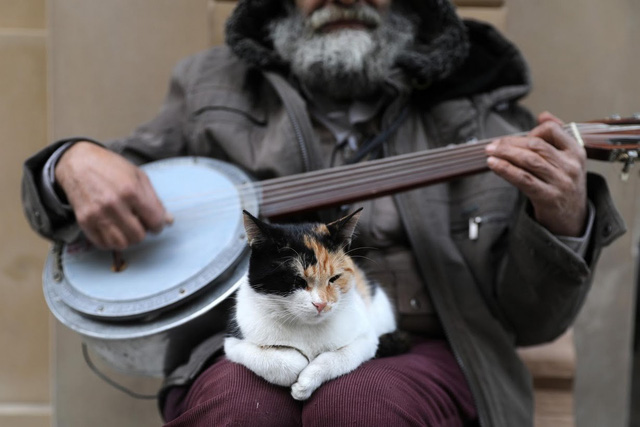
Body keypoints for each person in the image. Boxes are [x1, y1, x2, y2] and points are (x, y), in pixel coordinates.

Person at [21, 0, 626, 425]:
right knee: (235, 409)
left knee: (361, 407)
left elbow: (534, 319)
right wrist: (71, 162)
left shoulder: (480, 108)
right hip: (249, 337)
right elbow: (103, 185)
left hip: (417, 347)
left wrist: (562, 221)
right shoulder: (213, 86)